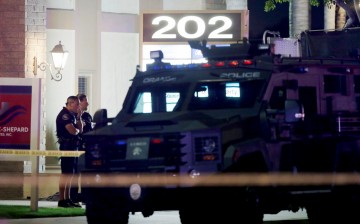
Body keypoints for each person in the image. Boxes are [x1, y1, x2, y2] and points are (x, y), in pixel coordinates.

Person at [56, 96, 83, 208]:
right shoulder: (65, 115)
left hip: (73, 146)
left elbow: (80, 130)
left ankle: (67, 198)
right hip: (67, 146)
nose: (79, 107)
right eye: (77, 104)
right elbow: (72, 131)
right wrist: (76, 130)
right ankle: (62, 199)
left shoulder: (72, 115)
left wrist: (79, 117)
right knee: (65, 173)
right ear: (70, 103)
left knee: (71, 173)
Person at [70, 93, 94, 203]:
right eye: (86, 101)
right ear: (80, 102)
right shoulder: (72, 116)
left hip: (88, 148)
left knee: (86, 173)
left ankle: (85, 196)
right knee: (75, 173)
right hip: (77, 147)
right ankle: (73, 197)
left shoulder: (88, 116)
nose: (88, 103)